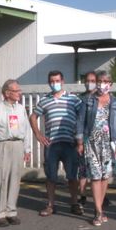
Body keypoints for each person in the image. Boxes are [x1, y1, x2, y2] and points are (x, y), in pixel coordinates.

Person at [30, 70, 83, 217]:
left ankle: (74, 203)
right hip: (51, 144)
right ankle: (50, 205)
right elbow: (33, 117)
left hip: (70, 143)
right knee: (51, 176)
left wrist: (80, 140)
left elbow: (82, 117)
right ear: (49, 83)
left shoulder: (74, 99)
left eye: (57, 81)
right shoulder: (44, 100)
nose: (55, 84)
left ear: (63, 81)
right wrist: (38, 134)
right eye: (52, 81)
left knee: (72, 176)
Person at [76, 71, 116, 226]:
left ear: (110, 84)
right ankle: (98, 211)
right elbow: (80, 121)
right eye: (100, 81)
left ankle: (100, 207)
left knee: (105, 177)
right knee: (95, 176)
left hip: (108, 144)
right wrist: (79, 142)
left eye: (105, 81)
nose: (102, 84)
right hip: (91, 143)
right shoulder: (88, 101)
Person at [0, 80, 31, 227]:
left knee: (15, 179)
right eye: (16, 91)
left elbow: (26, 129)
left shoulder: (21, 109)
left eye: (19, 90)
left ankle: (11, 211)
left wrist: (27, 149)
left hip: (17, 144)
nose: (19, 93)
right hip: (1, 145)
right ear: (7, 93)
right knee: (1, 179)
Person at [77, 71, 97, 206]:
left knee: (99, 169)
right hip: (85, 137)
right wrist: (79, 140)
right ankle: (82, 194)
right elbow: (78, 120)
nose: (89, 83)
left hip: (100, 138)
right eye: (87, 80)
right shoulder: (80, 98)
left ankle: (100, 196)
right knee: (83, 168)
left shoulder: (102, 97)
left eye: (92, 80)